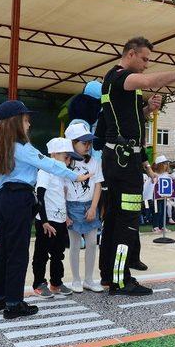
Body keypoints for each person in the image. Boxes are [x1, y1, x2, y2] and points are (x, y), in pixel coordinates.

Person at [99, 36, 175, 296]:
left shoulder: (122, 86)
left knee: (115, 219)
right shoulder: (120, 77)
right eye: (145, 59)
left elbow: (131, 118)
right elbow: (149, 81)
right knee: (126, 221)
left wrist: (148, 108)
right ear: (130, 55)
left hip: (120, 159)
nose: (147, 65)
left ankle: (109, 275)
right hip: (123, 162)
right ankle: (120, 280)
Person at [0, 100, 91, 319]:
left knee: (3, 249)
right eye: (25, 120)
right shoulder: (21, 146)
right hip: (19, 197)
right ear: (15, 123)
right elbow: (49, 164)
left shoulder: (0, 146)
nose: (28, 125)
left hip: (4, 196)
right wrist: (76, 176)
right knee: (18, 252)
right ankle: (14, 303)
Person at [32, 138, 74, 298]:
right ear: (54, 154)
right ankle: (39, 283)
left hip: (60, 220)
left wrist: (66, 217)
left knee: (58, 253)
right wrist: (44, 221)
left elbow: (60, 197)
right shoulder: (45, 170)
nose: (68, 159)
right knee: (42, 253)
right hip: (46, 220)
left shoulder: (61, 172)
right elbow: (40, 196)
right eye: (66, 155)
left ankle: (56, 282)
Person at [65, 123, 104, 293]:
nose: (88, 146)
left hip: (90, 206)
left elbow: (98, 185)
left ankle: (89, 279)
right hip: (71, 206)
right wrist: (65, 212)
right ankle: (76, 280)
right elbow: (61, 189)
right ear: (72, 143)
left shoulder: (94, 162)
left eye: (89, 142)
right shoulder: (64, 163)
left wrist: (94, 207)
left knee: (92, 243)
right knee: (74, 244)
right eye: (83, 142)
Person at [152, 155, 171, 233]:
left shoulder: (166, 175)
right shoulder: (153, 174)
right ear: (159, 165)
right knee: (157, 211)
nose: (166, 165)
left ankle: (162, 226)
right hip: (156, 197)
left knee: (163, 211)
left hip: (164, 197)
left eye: (166, 163)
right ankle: (155, 226)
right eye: (164, 163)